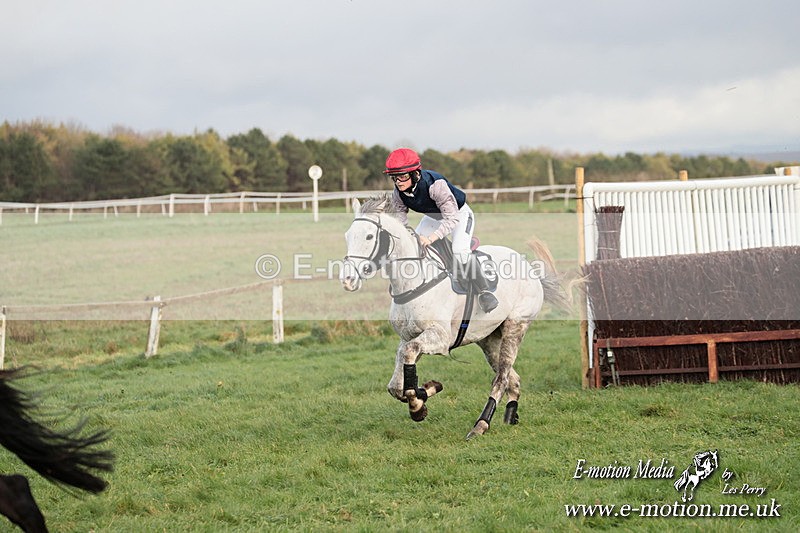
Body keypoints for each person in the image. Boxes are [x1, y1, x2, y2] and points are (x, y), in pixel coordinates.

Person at [385, 148, 499, 313]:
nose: (398, 182)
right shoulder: (398, 193)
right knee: (414, 246)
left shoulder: (435, 185)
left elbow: (451, 219)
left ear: (415, 174)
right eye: (394, 177)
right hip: (434, 217)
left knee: (460, 251)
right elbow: (401, 223)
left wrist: (431, 238)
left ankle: (484, 291)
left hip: (459, 214)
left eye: (402, 176)